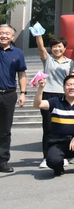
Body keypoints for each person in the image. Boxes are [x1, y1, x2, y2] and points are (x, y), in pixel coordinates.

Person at [33, 75, 74, 176]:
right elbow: (38, 104)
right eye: (68, 85)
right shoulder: (55, 101)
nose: (72, 87)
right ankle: (59, 167)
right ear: (63, 87)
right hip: (59, 142)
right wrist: (41, 88)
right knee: (52, 161)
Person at [35, 33, 74, 168]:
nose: (57, 49)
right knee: (48, 127)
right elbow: (40, 47)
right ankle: (46, 157)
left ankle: (63, 155)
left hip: (64, 96)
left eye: (59, 46)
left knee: (64, 127)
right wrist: (38, 35)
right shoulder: (47, 59)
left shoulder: (70, 62)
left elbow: (71, 80)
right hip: (48, 94)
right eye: (54, 47)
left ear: (64, 48)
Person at [0, 24, 27, 173]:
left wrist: (23, 92)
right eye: (1, 33)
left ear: (12, 36)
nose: (3, 35)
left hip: (9, 95)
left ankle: (2, 161)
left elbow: (21, 74)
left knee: (5, 130)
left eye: (6, 33)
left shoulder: (18, 53)